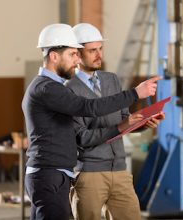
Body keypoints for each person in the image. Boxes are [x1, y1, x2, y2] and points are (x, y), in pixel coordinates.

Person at [22, 23, 160, 220]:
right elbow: (89, 108)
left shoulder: (49, 87)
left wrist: (136, 123)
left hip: (55, 173)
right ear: (54, 56)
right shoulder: (49, 89)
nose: (76, 59)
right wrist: (135, 93)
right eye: (72, 54)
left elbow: (108, 115)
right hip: (51, 173)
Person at [66, 23, 165, 220]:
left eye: (100, 49)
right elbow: (82, 137)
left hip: (120, 171)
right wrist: (123, 125)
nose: (98, 55)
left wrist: (141, 124)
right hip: (89, 174)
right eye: (92, 50)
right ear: (76, 54)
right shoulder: (69, 89)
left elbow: (122, 121)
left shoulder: (111, 80)